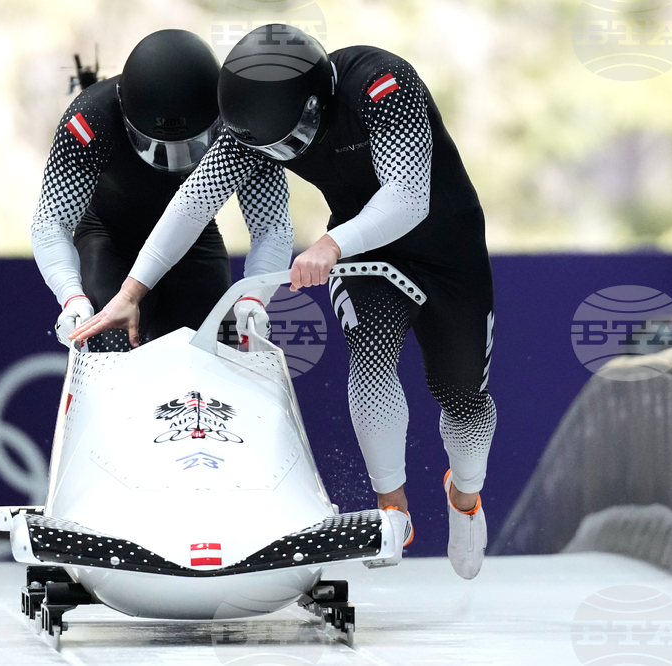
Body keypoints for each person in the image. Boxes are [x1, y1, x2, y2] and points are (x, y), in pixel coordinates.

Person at [72, 25, 495, 578]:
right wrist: (131, 292)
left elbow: (409, 197)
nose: (281, 157)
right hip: (368, 254)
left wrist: (331, 244)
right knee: (371, 365)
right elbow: (192, 204)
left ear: (318, 102)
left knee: (462, 397)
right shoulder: (250, 132)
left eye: (290, 145)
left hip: (449, 252)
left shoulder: (383, 84)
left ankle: (465, 495)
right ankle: (393, 509)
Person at [32, 29, 288, 352]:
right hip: (109, 238)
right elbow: (51, 221)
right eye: (158, 148)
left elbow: (271, 225)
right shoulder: (88, 121)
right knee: (111, 343)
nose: (176, 163)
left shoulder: (242, 122)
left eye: (192, 146)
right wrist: (72, 296)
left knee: (213, 351)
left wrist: (255, 297)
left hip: (190, 240)